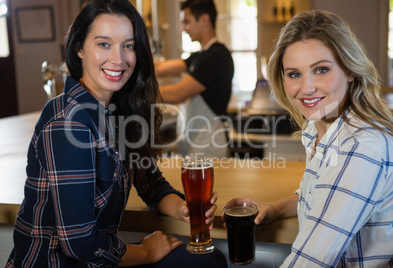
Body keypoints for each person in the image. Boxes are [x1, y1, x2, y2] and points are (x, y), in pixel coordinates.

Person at [6, 0, 227, 267]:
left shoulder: (119, 112)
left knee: (209, 259)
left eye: (129, 46)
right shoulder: (69, 122)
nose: (118, 58)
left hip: (95, 260)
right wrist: (145, 253)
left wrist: (184, 209)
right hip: (58, 263)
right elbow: (80, 242)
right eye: (103, 44)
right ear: (78, 48)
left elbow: (151, 183)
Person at [224, 10, 393, 267]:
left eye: (321, 70)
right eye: (294, 74)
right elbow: (327, 196)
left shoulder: (361, 147)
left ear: (350, 70)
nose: (306, 88)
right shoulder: (322, 130)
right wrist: (274, 209)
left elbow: (312, 260)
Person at [154, 0, 234, 158]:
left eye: (187, 22)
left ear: (204, 20)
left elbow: (178, 93)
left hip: (209, 144)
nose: (183, 28)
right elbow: (160, 68)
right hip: (195, 142)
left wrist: (138, 94)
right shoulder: (200, 56)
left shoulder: (217, 56)